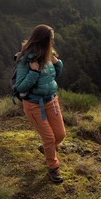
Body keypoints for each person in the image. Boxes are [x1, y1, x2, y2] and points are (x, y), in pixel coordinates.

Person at [15, 24, 66, 183]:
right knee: (50, 138)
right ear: (43, 40)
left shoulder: (48, 55)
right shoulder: (26, 60)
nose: (53, 41)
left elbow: (54, 75)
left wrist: (57, 63)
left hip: (51, 100)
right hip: (34, 105)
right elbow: (20, 87)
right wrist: (34, 72)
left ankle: (46, 149)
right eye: (51, 39)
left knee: (60, 135)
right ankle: (53, 168)